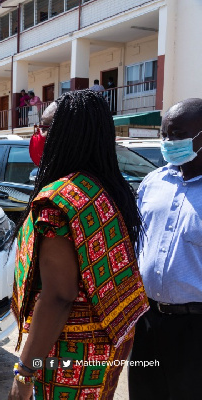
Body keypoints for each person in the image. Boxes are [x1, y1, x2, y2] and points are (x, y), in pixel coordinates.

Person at [8, 90, 149, 400]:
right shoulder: (105, 187)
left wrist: (25, 371)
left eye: (44, 128)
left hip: (67, 352)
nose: (38, 136)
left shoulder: (58, 202)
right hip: (107, 342)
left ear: (66, 134)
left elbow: (59, 295)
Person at [128, 98, 202, 400]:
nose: (169, 142)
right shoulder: (152, 183)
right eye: (164, 135)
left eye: (177, 134)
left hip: (195, 330)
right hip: (147, 322)